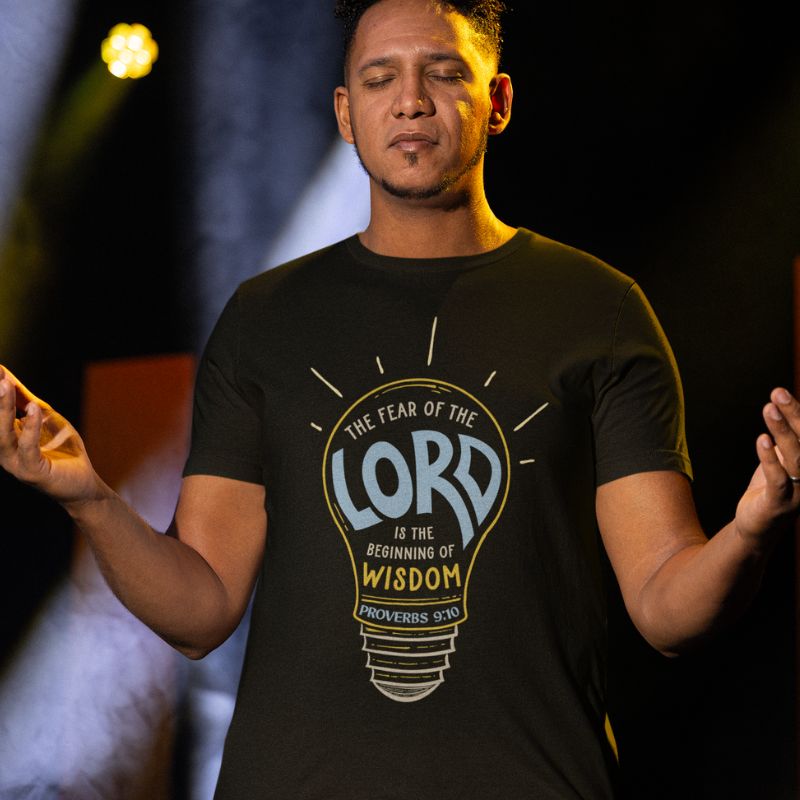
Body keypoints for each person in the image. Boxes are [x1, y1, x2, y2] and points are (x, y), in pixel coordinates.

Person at [1, 0, 798, 797]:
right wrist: (90, 497)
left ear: (500, 101)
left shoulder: (599, 310)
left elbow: (667, 608)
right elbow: (201, 609)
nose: (410, 99)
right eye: (379, 78)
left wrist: (754, 526)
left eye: (444, 72)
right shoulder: (264, 319)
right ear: (346, 113)